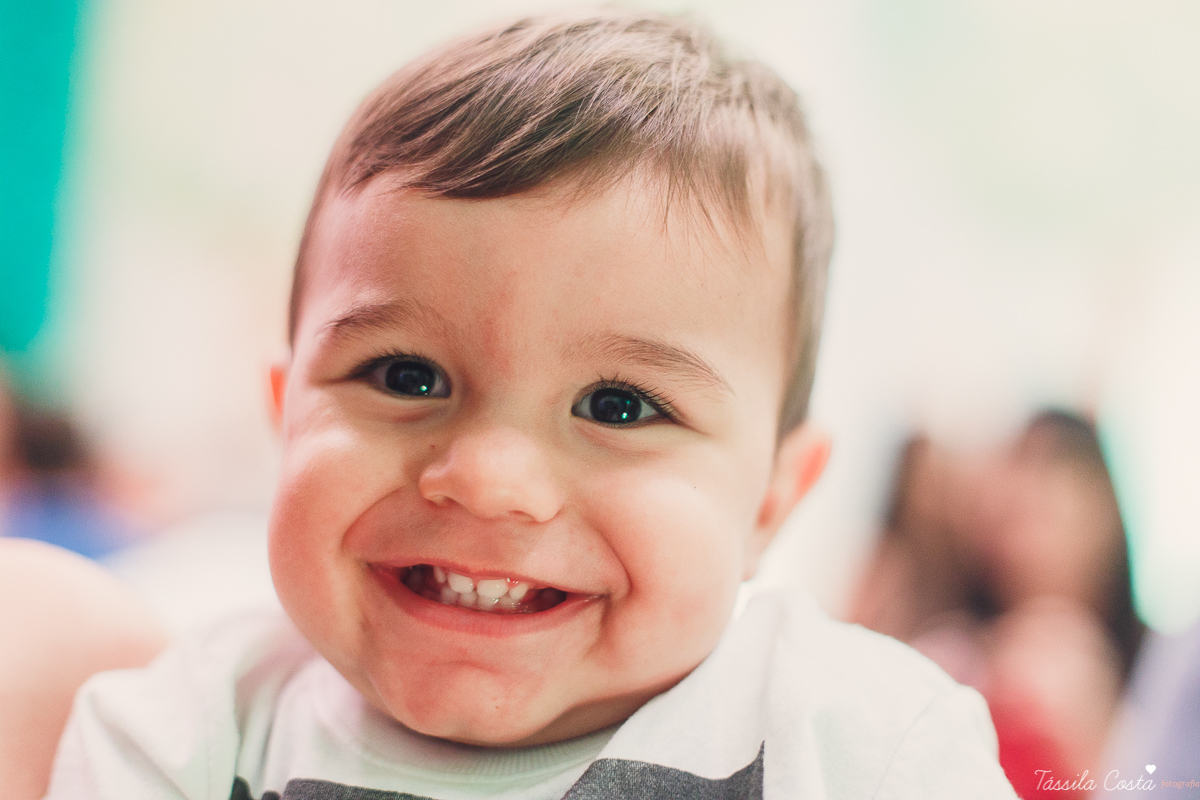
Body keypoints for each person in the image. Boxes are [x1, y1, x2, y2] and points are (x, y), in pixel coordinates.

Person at [45, 11, 1017, 798]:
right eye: (406, 376)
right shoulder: (184, 735)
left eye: (620, 404)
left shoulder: (859, 743)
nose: (487, 476)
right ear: (284, 408)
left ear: (770, 497)